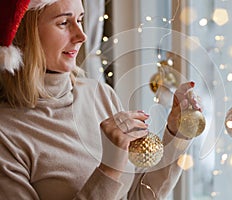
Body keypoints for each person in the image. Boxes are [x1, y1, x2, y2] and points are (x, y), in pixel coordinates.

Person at [0, 0, 203, 199]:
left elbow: (138, 195)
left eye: (80, 20)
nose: (82, 36)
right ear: (23, 32)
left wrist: (177, 134)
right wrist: (109, 169)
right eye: (64, 23)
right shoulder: (6, 135)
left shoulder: (99, 94)